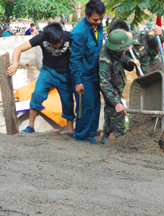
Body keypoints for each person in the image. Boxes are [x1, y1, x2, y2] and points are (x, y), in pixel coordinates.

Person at [109, 20, 164, 131]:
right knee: (151, 110)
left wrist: (160, 33)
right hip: (146, 83)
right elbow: (126, 64)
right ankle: (155, 140)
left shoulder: (144, 35)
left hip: (162, 78)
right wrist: (129, 61)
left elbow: (158, 39)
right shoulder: (123, 47)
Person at [6, 22, 74, 136]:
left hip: (65, 74)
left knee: (68, 101)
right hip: (48, 72)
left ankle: (71, 131)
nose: (57, 45)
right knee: (37, 94)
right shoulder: (41, 37)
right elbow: (19, 48)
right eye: (54, 44)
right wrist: (15, 64)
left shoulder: (69, 36)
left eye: (59, 42)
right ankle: (30, 126)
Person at [69, 0, 105, 145]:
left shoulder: (99, 25)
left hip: (95, 73)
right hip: (83, 76)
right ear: (86, 15)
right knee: (85, 106)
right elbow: (74, 60)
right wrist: (78, 82)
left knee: (96, 105)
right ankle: (80, 136)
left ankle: (91, 134)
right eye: (95, 19)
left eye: (101, 18)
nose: (99, 21)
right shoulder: (79, 33)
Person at [98, 29, 139, 143]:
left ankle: (105, 135)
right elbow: (104, 83)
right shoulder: (104, 59)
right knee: (118, 112)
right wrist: (116, 102)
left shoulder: (117, 51)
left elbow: (122, 58)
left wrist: (130, 62)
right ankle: (121, 139)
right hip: (110, 89)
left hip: (117, 85)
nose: (125, 50)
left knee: (110, 111)